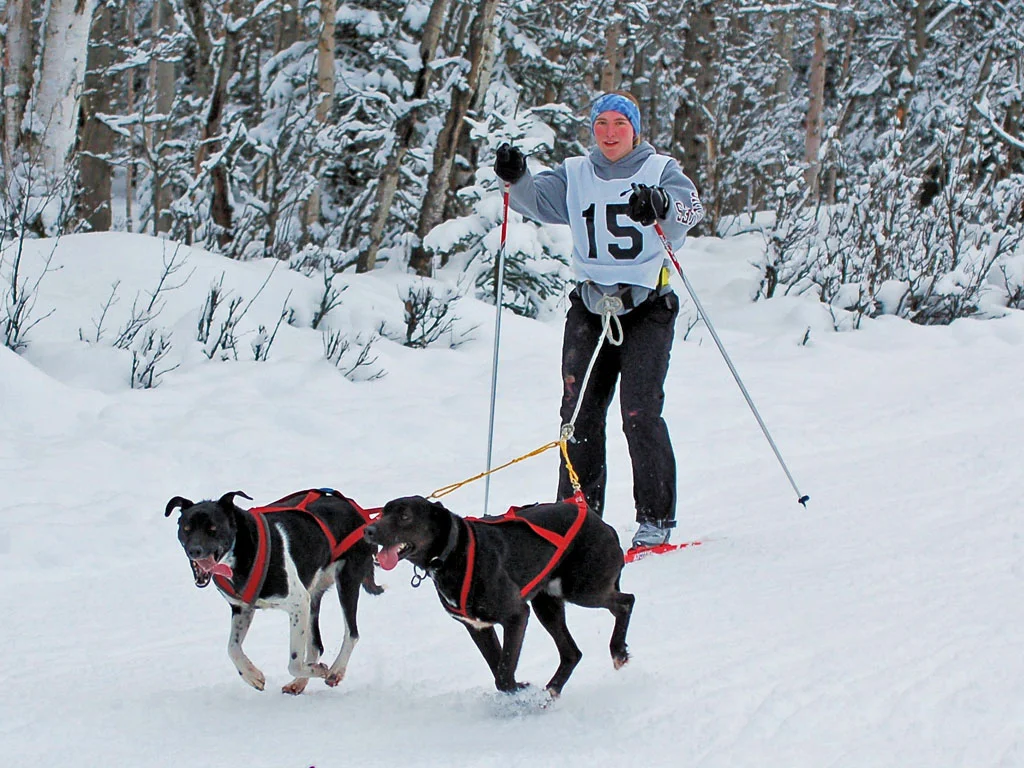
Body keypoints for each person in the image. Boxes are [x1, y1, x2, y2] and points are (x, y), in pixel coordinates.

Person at [492, 91, 704, 549]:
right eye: (601, 124)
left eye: (619, 125)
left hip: (647, 307)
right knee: (578, 413)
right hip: (590, 307)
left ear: (635, 130)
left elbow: (692, 210)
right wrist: (516, 175)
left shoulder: (660, 169)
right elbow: (535, 201)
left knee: (639, 412)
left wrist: (662, 204)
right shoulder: (576, 173)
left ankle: (655, 521)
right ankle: (576, 519)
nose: (609, 134)